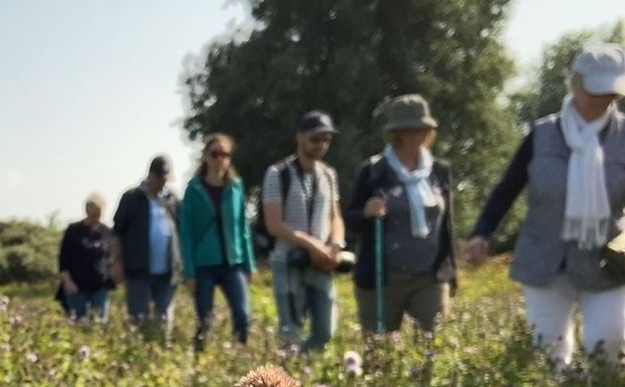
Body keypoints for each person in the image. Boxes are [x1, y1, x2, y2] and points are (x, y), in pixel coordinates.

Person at [466, 44, 625, 366]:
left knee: (607, 342)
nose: (605, 99)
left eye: (612, 92)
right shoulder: (542, 134)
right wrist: (482, 233)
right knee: (547, 351)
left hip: (606, 262)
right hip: (544, 259)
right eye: (597, 91)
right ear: (575, 85)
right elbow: (507, 188)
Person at [345, 95, 457, 334]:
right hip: (383, 279)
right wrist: (366, 213)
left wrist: (452, 272)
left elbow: (447, 225)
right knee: (379, 354)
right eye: (410, 130)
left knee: (433, 346)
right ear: (396, 133)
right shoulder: (373, 171)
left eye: (422, 130)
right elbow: (351, 220)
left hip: (430, 275)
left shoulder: (439, 171)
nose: (417, 136)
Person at [262, 111, 345, 350]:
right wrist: (312, 245)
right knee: (291, 332)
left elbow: (335, 216)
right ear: (299, 137)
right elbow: (274, 224)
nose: (321, 144)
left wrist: (336, 245)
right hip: (288, 261)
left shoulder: (329, 174)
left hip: (320, 262)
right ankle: (287, 380)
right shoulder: (278, 173)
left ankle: (303, 372)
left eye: (326, 139)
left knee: (325, 333)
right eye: (315, 138)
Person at [179, 133, 256, 350]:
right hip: (204, 265)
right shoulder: (193, 189)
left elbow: (243, 227)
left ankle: (240, 355)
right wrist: (189, 272)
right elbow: (186, 233)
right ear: (205, 157)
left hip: (233, 263)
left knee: (243, 314)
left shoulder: (236, 186)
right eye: (215, 154)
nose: (220, 159)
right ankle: (198, 358)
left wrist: (249, 264)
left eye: (225, 154)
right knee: (206, 319)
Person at [111, 155, 182, 339]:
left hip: (167, 271)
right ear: (150, 175)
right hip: (138, 269)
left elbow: (181, 230)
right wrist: (116, 261)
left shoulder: (172, 199)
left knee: (164, 318)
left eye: (166, 179)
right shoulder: (131, 198)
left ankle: (161, 353)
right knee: (138, 318)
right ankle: (138, 355)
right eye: (160, 179)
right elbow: (117, 232)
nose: (162, 184)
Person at [58, 193, 113, 322]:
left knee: (99, 322)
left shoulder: (106, 232)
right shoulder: (73, 230)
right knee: (79, 321)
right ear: (87, 212)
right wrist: (68, 282)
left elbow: (110, 257)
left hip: (100, 286)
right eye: (93, 215)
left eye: (99, 215)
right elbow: (63, 260)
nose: (96, 218)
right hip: (76, 286)